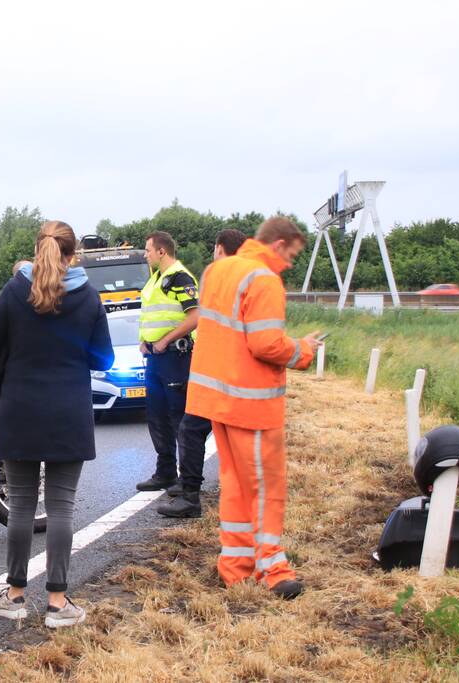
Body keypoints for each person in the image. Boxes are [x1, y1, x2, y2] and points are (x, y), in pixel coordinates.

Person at [0, 221, 113, 628]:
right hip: (69, 413)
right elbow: (103, 358)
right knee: (60, 507)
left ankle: (15, 596)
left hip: (21, 410)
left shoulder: (16, 290)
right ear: (73, 255)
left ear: (38, 250)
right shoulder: (88, 297)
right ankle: (57, 603)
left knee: (21, 505)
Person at [185, 216, 321, 599]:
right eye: (291, 255)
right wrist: (304, 349)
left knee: (235, 484)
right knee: (265, 487)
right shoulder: (263, 279)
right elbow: (265, 344)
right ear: (278, 245)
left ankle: (236, 566)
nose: (290, 263)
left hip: (218, 399)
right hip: (251, 401)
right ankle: (273, 569)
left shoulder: (216, 271)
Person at [157, 227, 247, 518]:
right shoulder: (246, 279)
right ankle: (233, 492)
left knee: (190, 430)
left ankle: (190, 496)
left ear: (219, 248)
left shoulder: (221, 280)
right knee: (229, 436)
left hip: (217, 375)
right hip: (229, 374)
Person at [135, 232, 200, 492]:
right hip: (155, 357)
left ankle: (187, 479)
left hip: (175, 356)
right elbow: (151, 315)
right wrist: (145, 340)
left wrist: (165, 340)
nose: (145, 254)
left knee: (178, 417)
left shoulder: (180, 277)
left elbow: (195, 317)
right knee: (157, 416)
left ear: (162, 251)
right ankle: (165, 472)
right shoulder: (156, 279)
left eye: (148, 250)